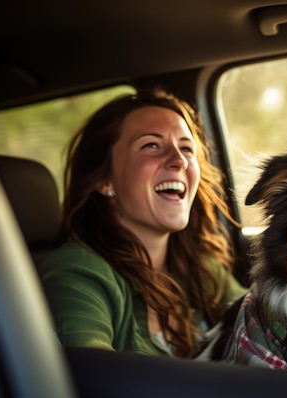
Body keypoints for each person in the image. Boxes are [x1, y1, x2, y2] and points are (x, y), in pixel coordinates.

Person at [39, 88, 246, 358]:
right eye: (151, 145)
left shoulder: (198, 265)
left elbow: (261, 320)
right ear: (105, 181)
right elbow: (93, 383)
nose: (179, 160)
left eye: (186, 148)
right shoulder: (75, 274)